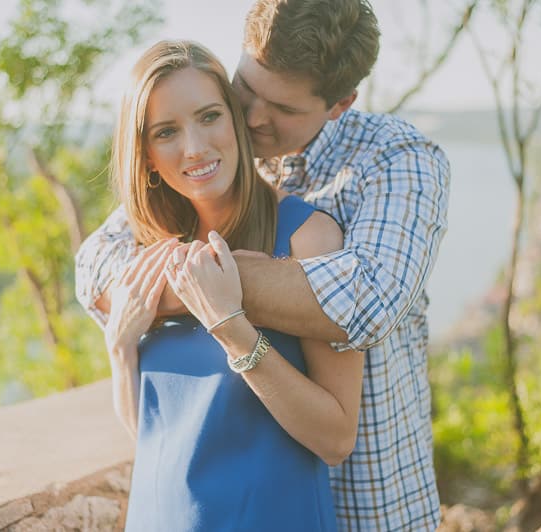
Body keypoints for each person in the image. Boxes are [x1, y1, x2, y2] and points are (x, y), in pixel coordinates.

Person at [77, 0, 450, 529]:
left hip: (370, 508)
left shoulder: (394, 160)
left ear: (339, 103)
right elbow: (95, 268)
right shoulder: (202, 171)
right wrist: (128, 335)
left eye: (283, 108)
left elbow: (363, 303)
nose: (252, 118)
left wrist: (212, 291)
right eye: (244, 90)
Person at [103, 39, 364, 531]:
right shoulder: (151, 251)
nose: (195, 148)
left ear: (236, 120)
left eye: (209, 117)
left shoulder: (309, 238)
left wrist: (232, 327)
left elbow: (336, 439)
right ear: (147, 156)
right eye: (166, 132)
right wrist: (120, 347)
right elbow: (153, 435)